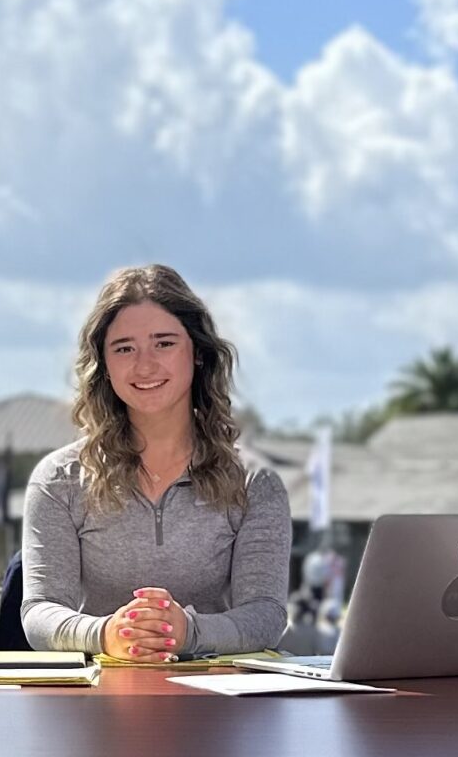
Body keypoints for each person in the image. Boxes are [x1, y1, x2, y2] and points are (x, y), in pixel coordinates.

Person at [20, 264, 290, 659]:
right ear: (104, 364)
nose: (144, 365)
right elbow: (38, 613)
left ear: (197, 353)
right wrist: (107, 634)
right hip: (97, 704)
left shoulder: (254, 483)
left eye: (164, 344)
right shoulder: (57, 480)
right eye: (124, 348)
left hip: (220, 705)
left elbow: (266, 615)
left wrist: (187, 632)